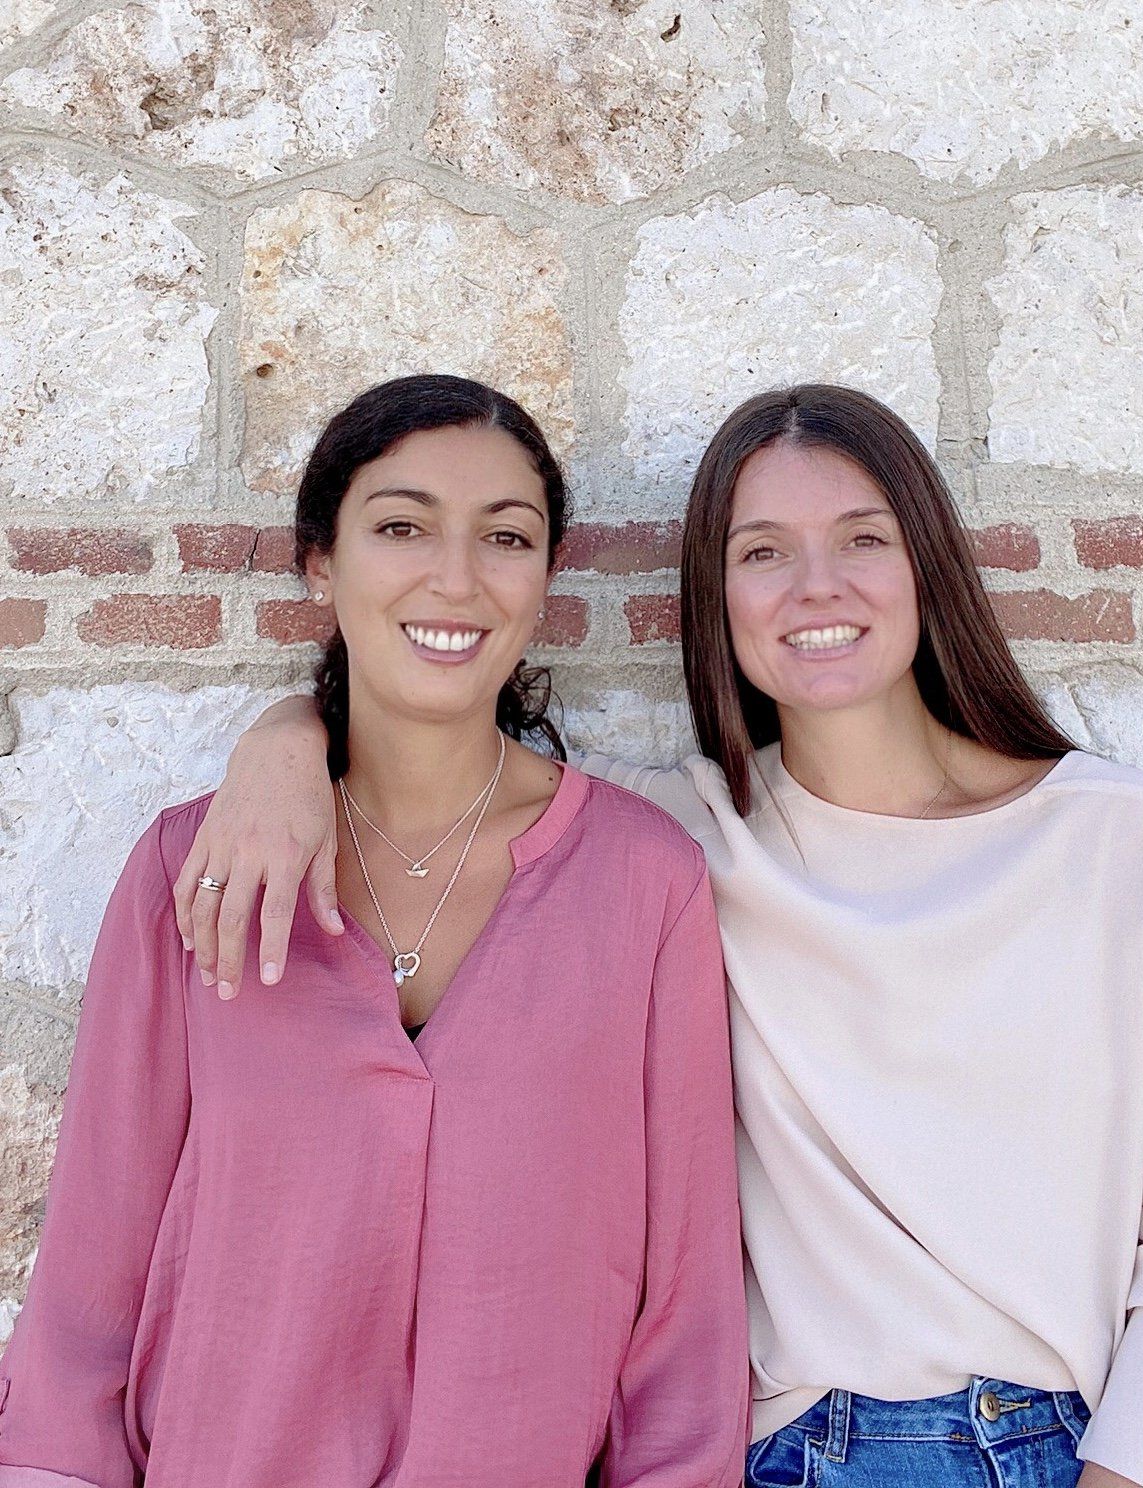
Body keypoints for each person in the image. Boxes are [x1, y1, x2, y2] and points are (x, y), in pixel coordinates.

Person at [172, 383, 1143, 1488]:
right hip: (791, 1457)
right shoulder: (673, 846)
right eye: (761, 552)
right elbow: (438, 749)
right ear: (716, 595)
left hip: (1060, 1446)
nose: (816, 586)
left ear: (927, 564)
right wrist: (284, 742)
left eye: (862, 538)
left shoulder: (1114, 836)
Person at [0, 375, 749, 1488]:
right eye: (401, 527)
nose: (456, 576)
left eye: (505, 536)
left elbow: (685, 1310)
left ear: (547, 577)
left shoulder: (646, 882)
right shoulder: (191, 869)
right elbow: (90, 1281)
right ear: (321, 563)